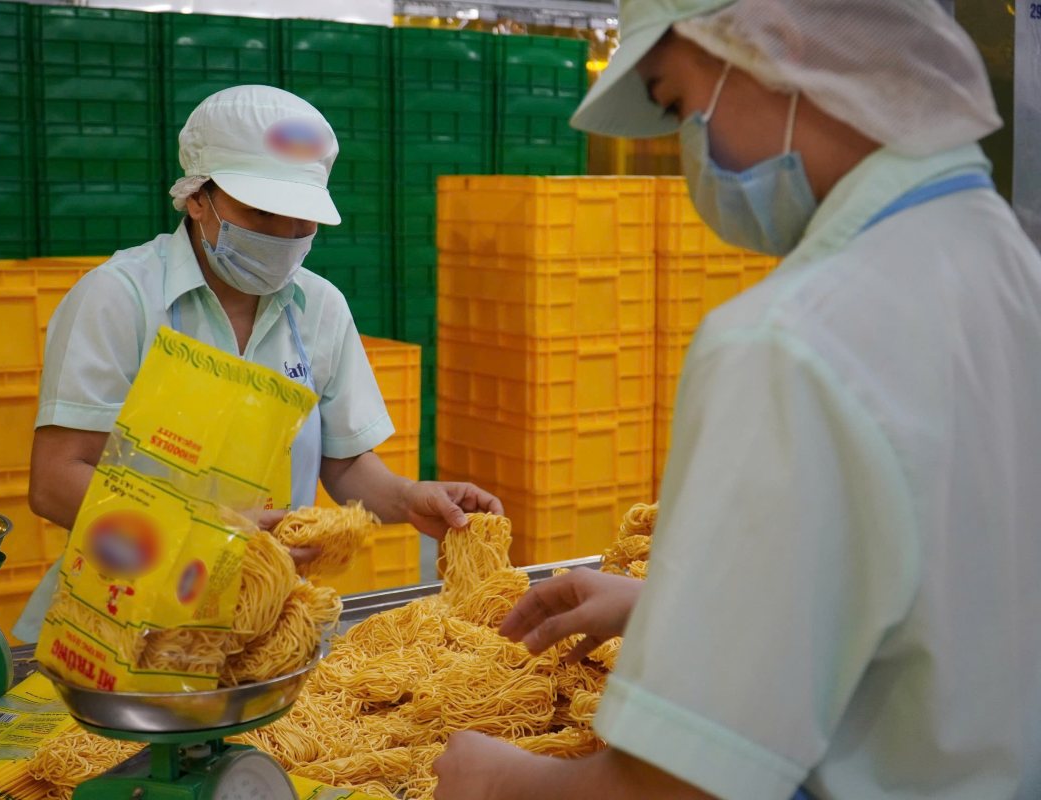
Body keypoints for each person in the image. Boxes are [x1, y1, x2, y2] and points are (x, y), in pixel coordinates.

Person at [433, 1, 1041, 798]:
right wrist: (678, 613)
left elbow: (672, 788)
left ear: (772, 50)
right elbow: (948, 578)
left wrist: (493, 781)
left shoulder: (787, 341)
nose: (690, 152)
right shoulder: (1006, 263)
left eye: (679, 104)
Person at [14, 85, 502, 643]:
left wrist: (408, 498)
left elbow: (345, 467)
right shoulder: (119, 298)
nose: (285, 235)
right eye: (262, 212)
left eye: (302, 218)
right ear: (198, 198)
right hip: (118, 617)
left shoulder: (319, 308)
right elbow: (55, 483)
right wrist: (211, 533)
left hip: (261, 626)